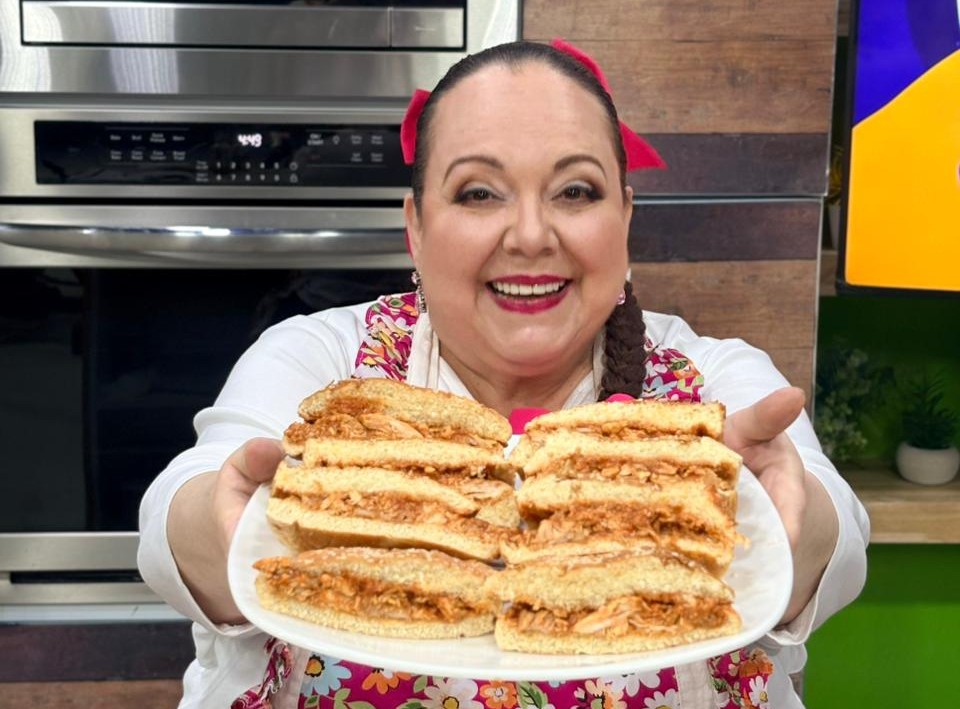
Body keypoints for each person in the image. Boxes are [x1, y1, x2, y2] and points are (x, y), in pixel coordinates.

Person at [138, 40, 869, 709]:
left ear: (625, 218)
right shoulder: (324, 370)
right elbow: (185, 501)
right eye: (478, 193)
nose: (529, 235)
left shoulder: (710, 385)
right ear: (416, 227)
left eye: (575, 192)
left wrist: (779, 517)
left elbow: (832, 536)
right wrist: (230, 526)